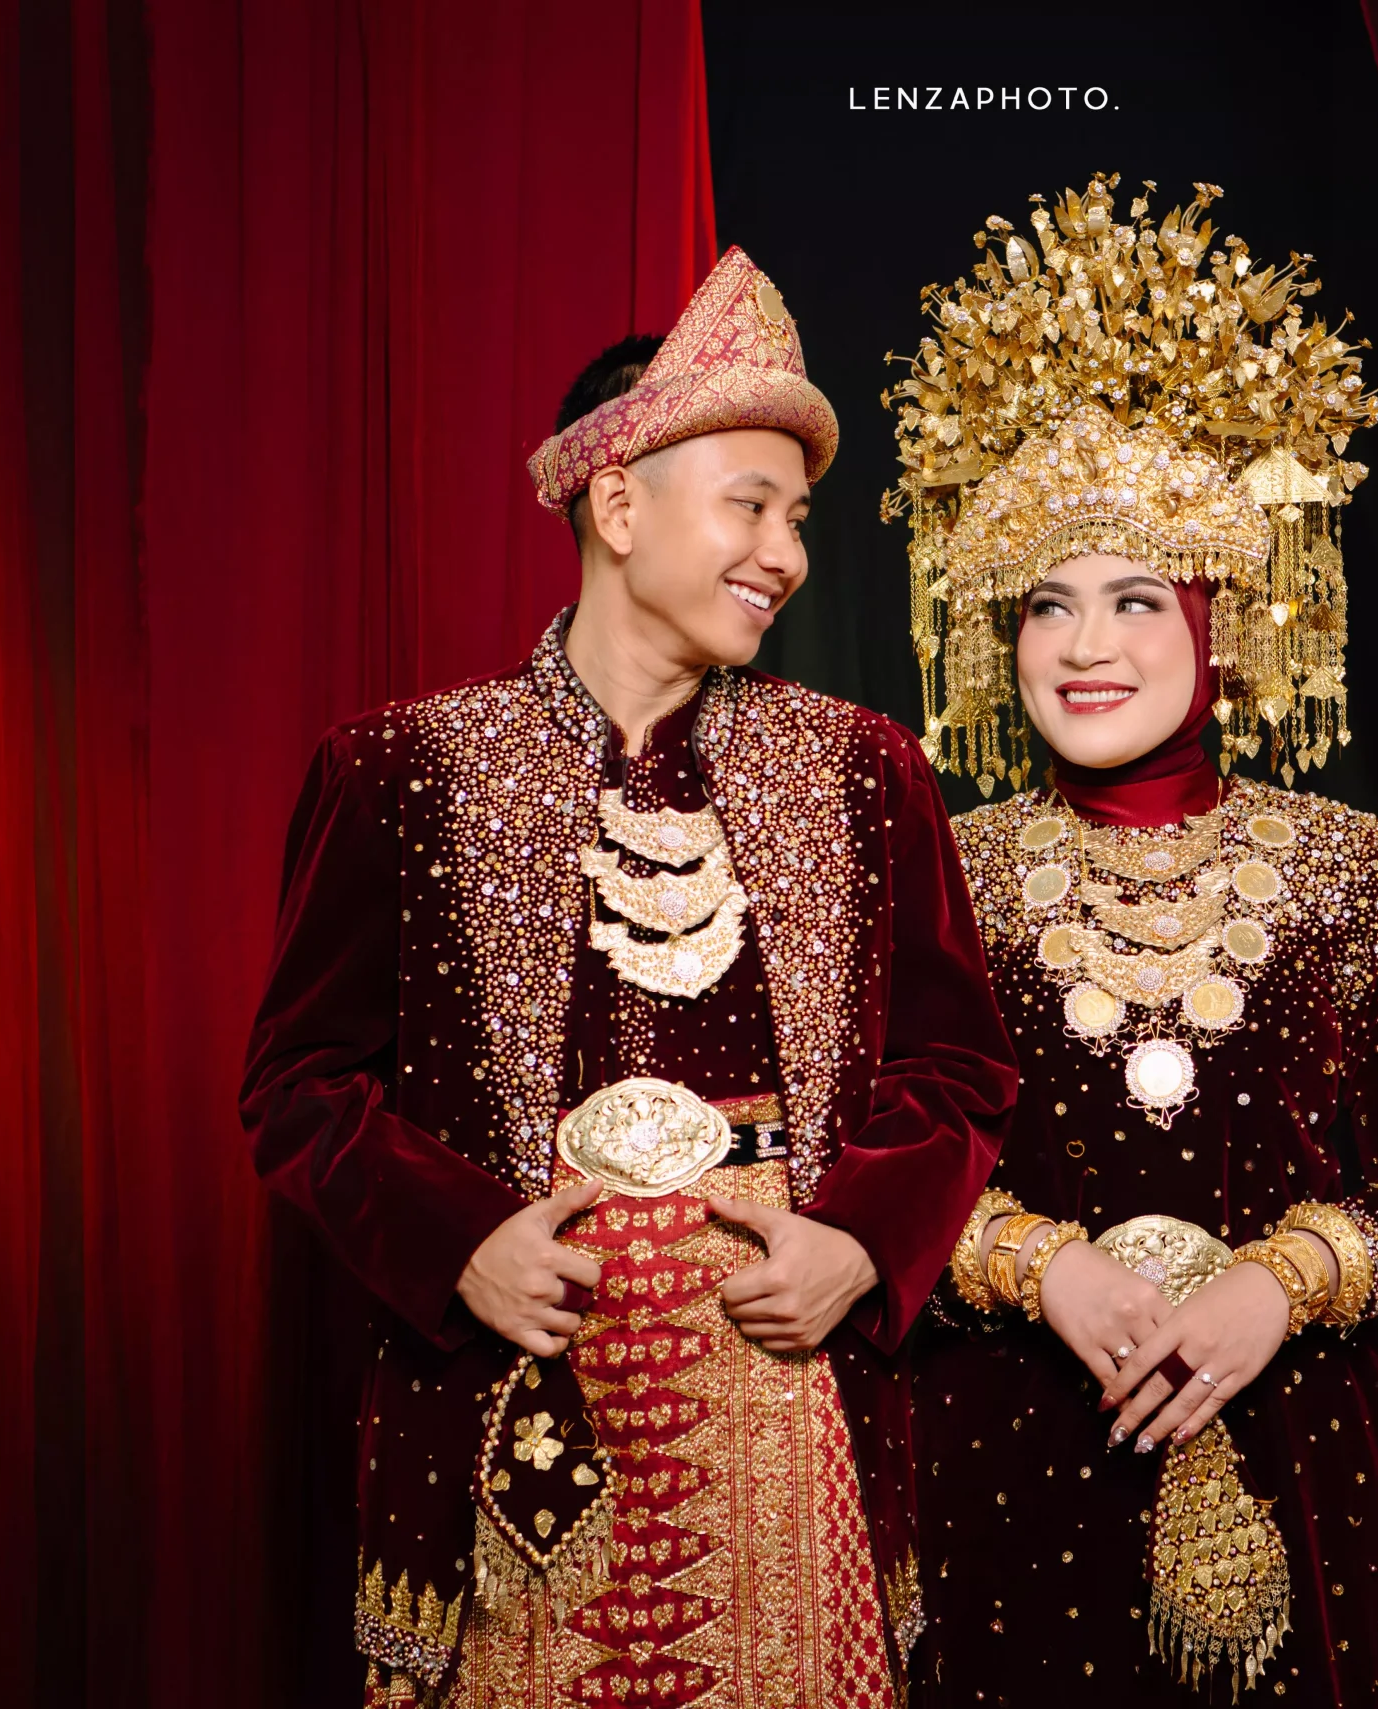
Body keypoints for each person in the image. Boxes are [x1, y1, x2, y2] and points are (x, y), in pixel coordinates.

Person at [242, 247, 1017, 1708]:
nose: (786, 554)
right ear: (617, 504)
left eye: (798, 520)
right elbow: (300, 1085)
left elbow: (959, 1069)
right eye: (750, 506)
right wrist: (459, 1239)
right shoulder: (401, 771)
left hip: (790, 1383)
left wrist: (861, 1244)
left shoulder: (863, 771)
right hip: (514, 1387)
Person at [886, 178, 1378, 1704]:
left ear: (1226, 625)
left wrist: (1274, 1289)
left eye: (1136, 600)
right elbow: (874, 1159)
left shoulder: (1343, 866)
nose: (1086, 647)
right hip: (1006, 1450)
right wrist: (1039, 1270)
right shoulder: (945, 870)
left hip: (1291, 1450)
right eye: (1048, 605)